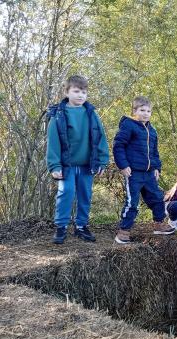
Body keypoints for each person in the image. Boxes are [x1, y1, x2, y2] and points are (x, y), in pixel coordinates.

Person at [46, 75, 109, 244]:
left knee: (85, 194)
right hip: (66, 165)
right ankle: (61, 227)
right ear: (67, 92)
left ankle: (81, 226)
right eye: (76, 91)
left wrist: (102, 161)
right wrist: (54, 165)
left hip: (87, 165)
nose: (80, 95)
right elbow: (53, 142)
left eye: (84, 92)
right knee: (65, 192)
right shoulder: (58, 115)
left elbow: (100, 138)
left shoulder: (91, 114)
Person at [113, 96, 174, 244]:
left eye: (148, 111)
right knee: (132, 202)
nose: (146, 113)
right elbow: (118, 145)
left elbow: (155, 152)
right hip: (133, 172)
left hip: (149, 173)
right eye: (142, 110)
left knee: (157, 198)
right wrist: (123, 165)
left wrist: (156, 167)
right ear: (134, 111)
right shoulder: (129, 125)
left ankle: (159, 224)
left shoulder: (152, 131)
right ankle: (124, 231)